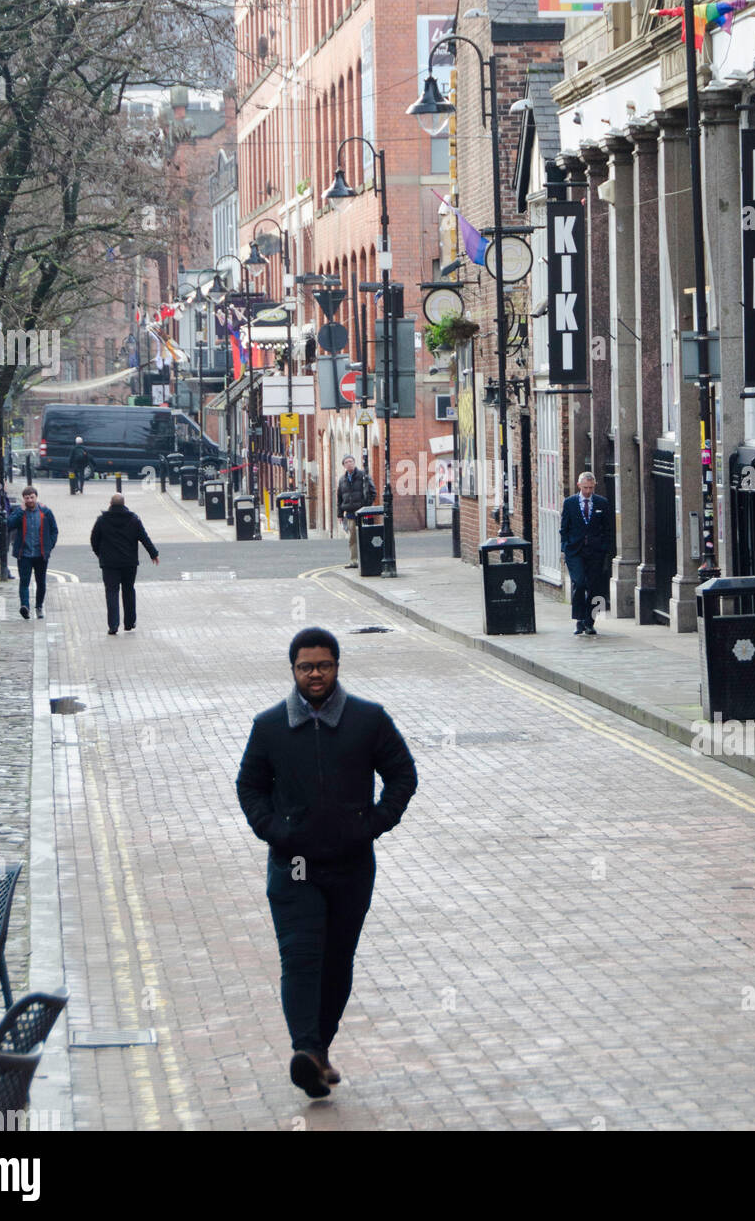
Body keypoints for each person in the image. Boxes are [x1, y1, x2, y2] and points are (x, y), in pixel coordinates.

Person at [236, 626, 417, 1099]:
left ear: (337, 666)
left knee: (337, 961)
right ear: (293, 670)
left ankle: (318, 1054)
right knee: (300, 957)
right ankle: (305, 1048)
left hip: (351, 864)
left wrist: (373, 823)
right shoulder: (270, 726)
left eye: (323, 665)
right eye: (305, 666)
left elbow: (402, 774)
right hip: (294, 865)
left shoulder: (368, 719)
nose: (315, 674)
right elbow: (249, 786)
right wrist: (277, 831)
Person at [90, 492, 159, 635]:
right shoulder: (133, 520)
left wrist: (100, 555)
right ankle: (129, 623)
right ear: (124, 504)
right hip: (129, 562)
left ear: (110, 504)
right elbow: (144, 537)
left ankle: (113, 625)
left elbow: (94, 540)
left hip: (109, 564)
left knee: (111, 592)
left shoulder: (102, 520)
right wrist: (153, 553)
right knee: (128, 590)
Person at [559, 471, 615, 636]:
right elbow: (564, 528)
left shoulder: (602, 503)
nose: (588, 491)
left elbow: (608, 528)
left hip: (595, 552)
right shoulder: (569, 503)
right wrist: (565, 547)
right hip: (575, 551)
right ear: (579, 486)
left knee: (595, 587)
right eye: (585, 488)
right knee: (580, 582)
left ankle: (590, 622)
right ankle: (579, 620)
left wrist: (605, 547)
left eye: (591, 488)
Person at [7, 485, 58, 620]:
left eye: (32, 497)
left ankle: (39, 607)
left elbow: (54, 530)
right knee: (24, 581)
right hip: (24, 554)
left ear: (36, 497)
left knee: (41, 582)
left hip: (41, 554)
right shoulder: (20, 512)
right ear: (23, 499)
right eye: (27, 498)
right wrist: (20, 512)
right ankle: (25, 606)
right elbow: (9, 524)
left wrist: (49, 545)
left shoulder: (46, 512)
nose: (29, 500)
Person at [336, 455, 374, 568]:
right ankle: (354, 561)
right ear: (344, 465)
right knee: (352, 538)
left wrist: (366, 507)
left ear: (354, 462)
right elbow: (339, 498)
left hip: (362, 513)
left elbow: (373, 492)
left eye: (351, 461)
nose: (349, 464)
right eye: (346, 462)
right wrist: (339, 514)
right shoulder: (342, 480)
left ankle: (367, 559)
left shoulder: (363, 476)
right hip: (350, 514)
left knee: (366, 536)